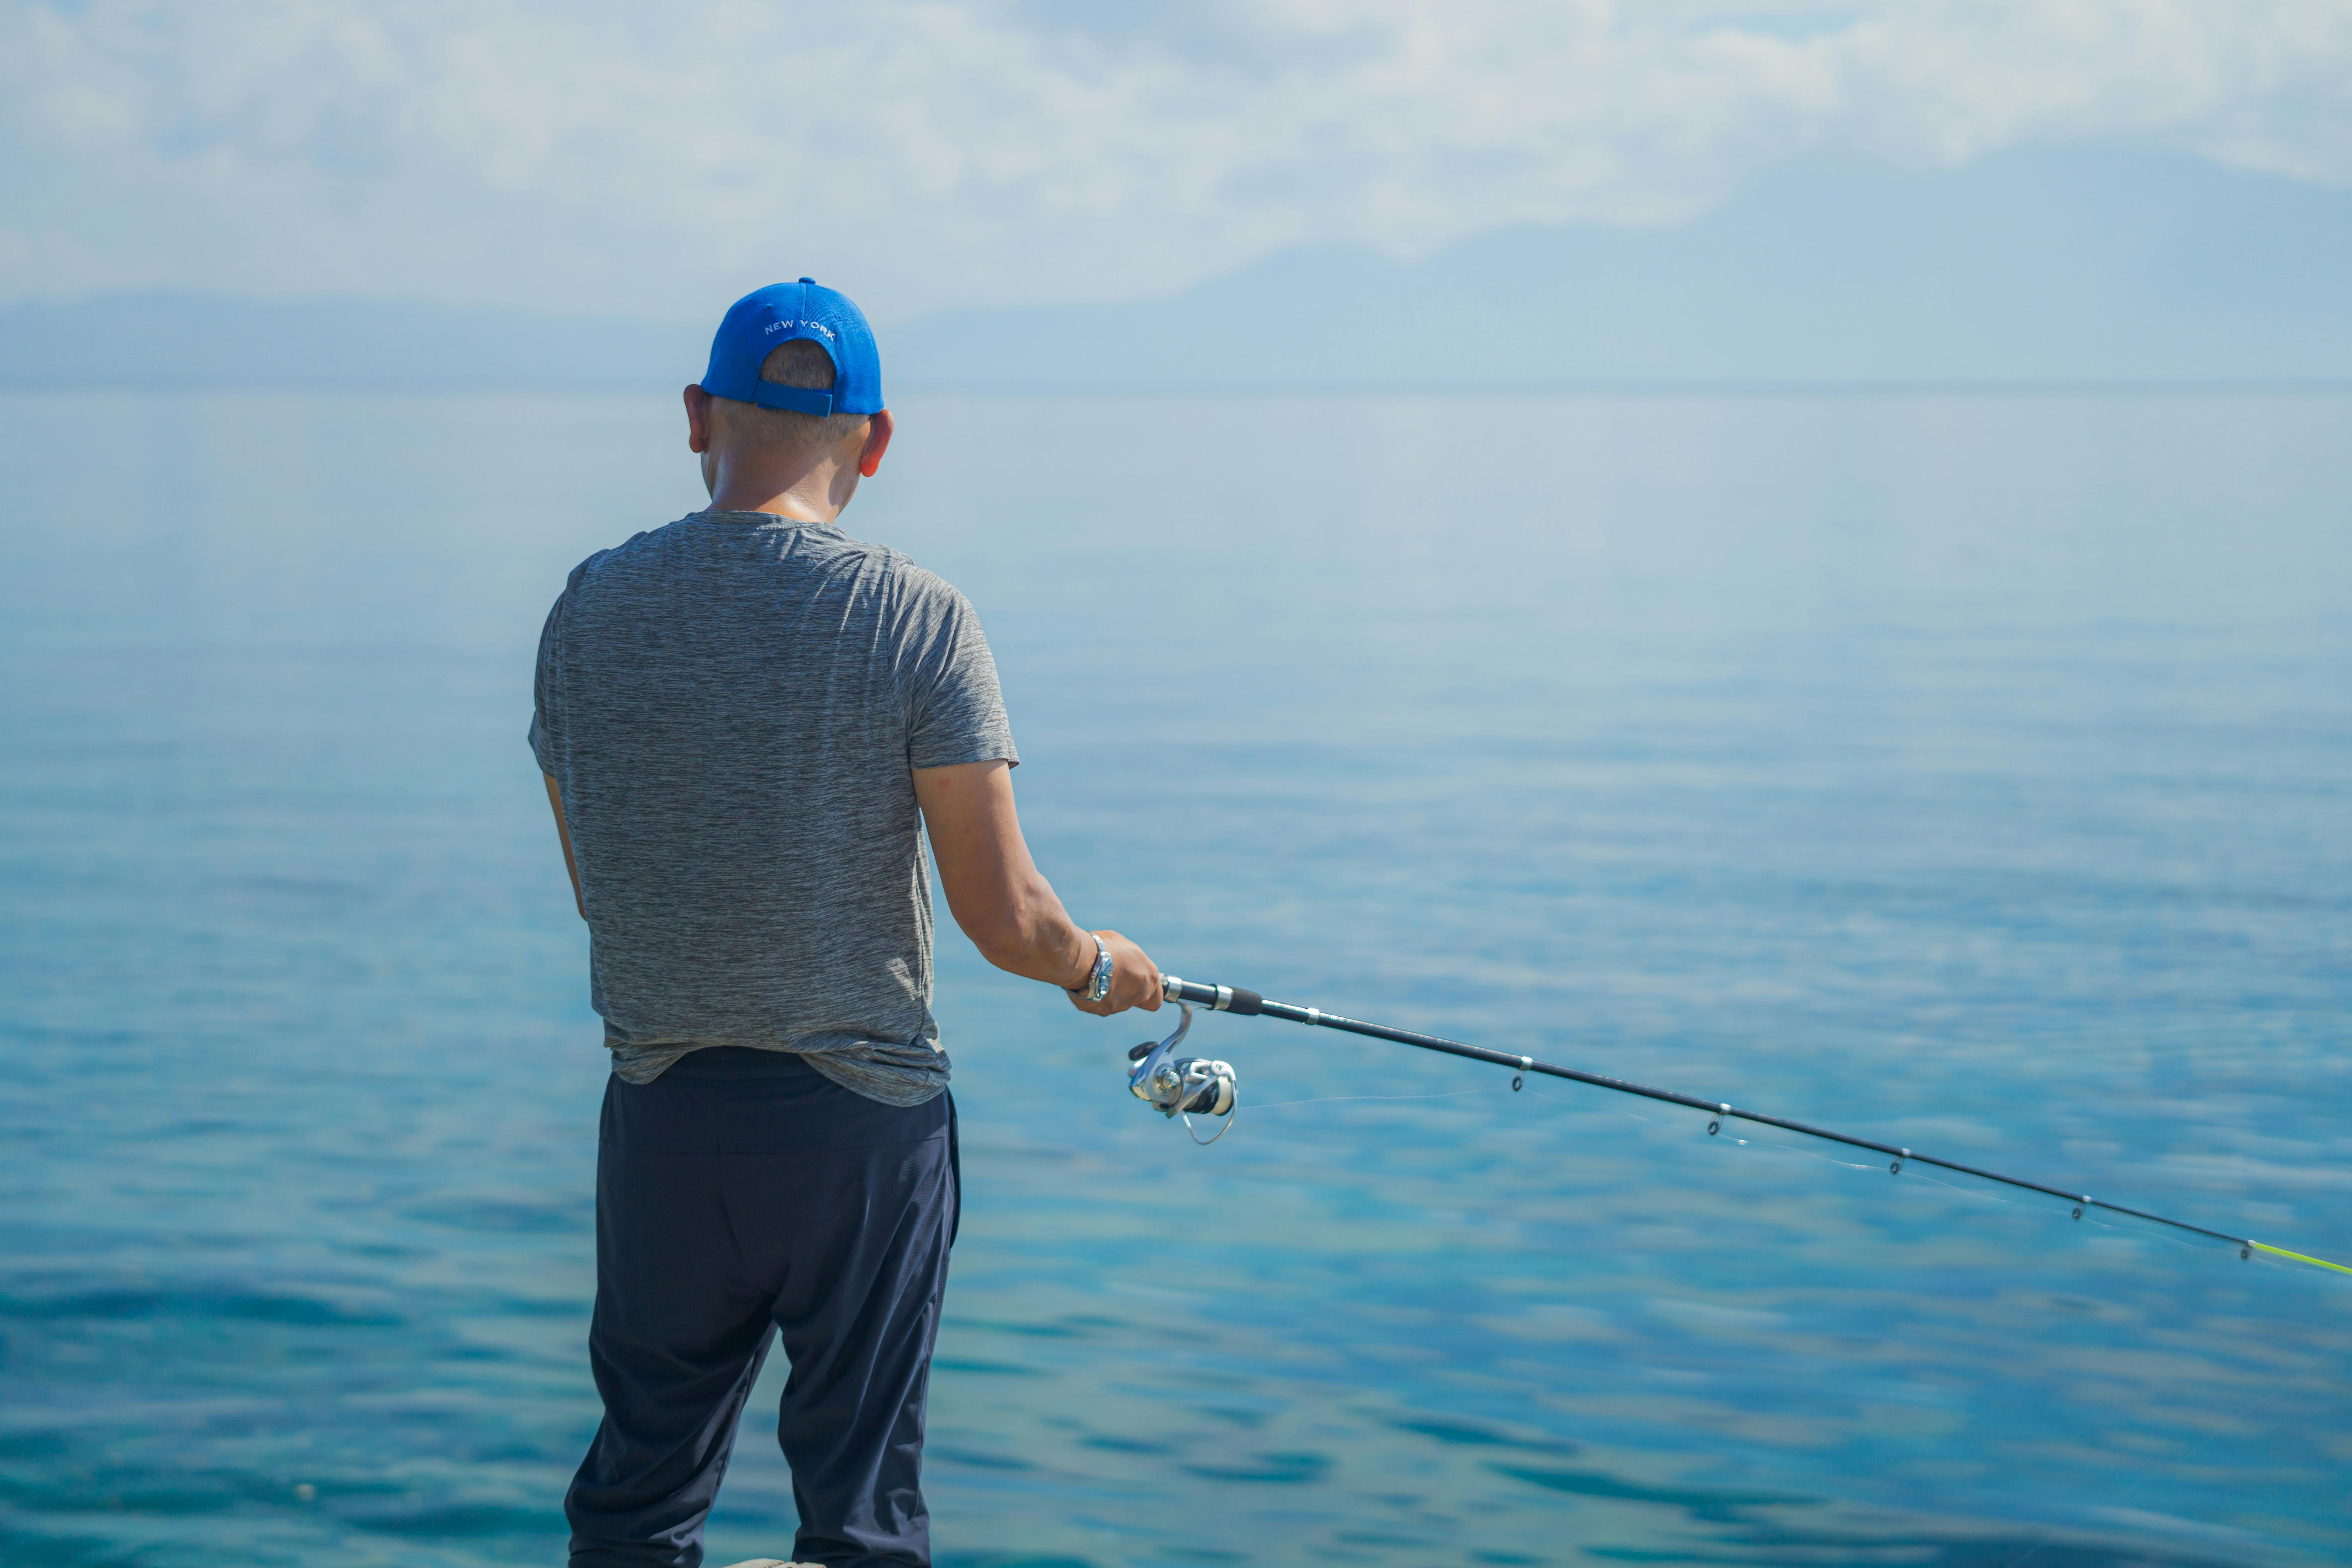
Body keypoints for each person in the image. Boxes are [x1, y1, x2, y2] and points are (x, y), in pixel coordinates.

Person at [530, 279, 1163, 1568]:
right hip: (857, 1131)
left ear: (699, 415)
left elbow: (601, 883)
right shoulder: (915, 619)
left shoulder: (585, 609)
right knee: (863, 1522)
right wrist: (1103, 968)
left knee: (636, 1505)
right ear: (874, 441)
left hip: (663, 1119)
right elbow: (1009, 920)